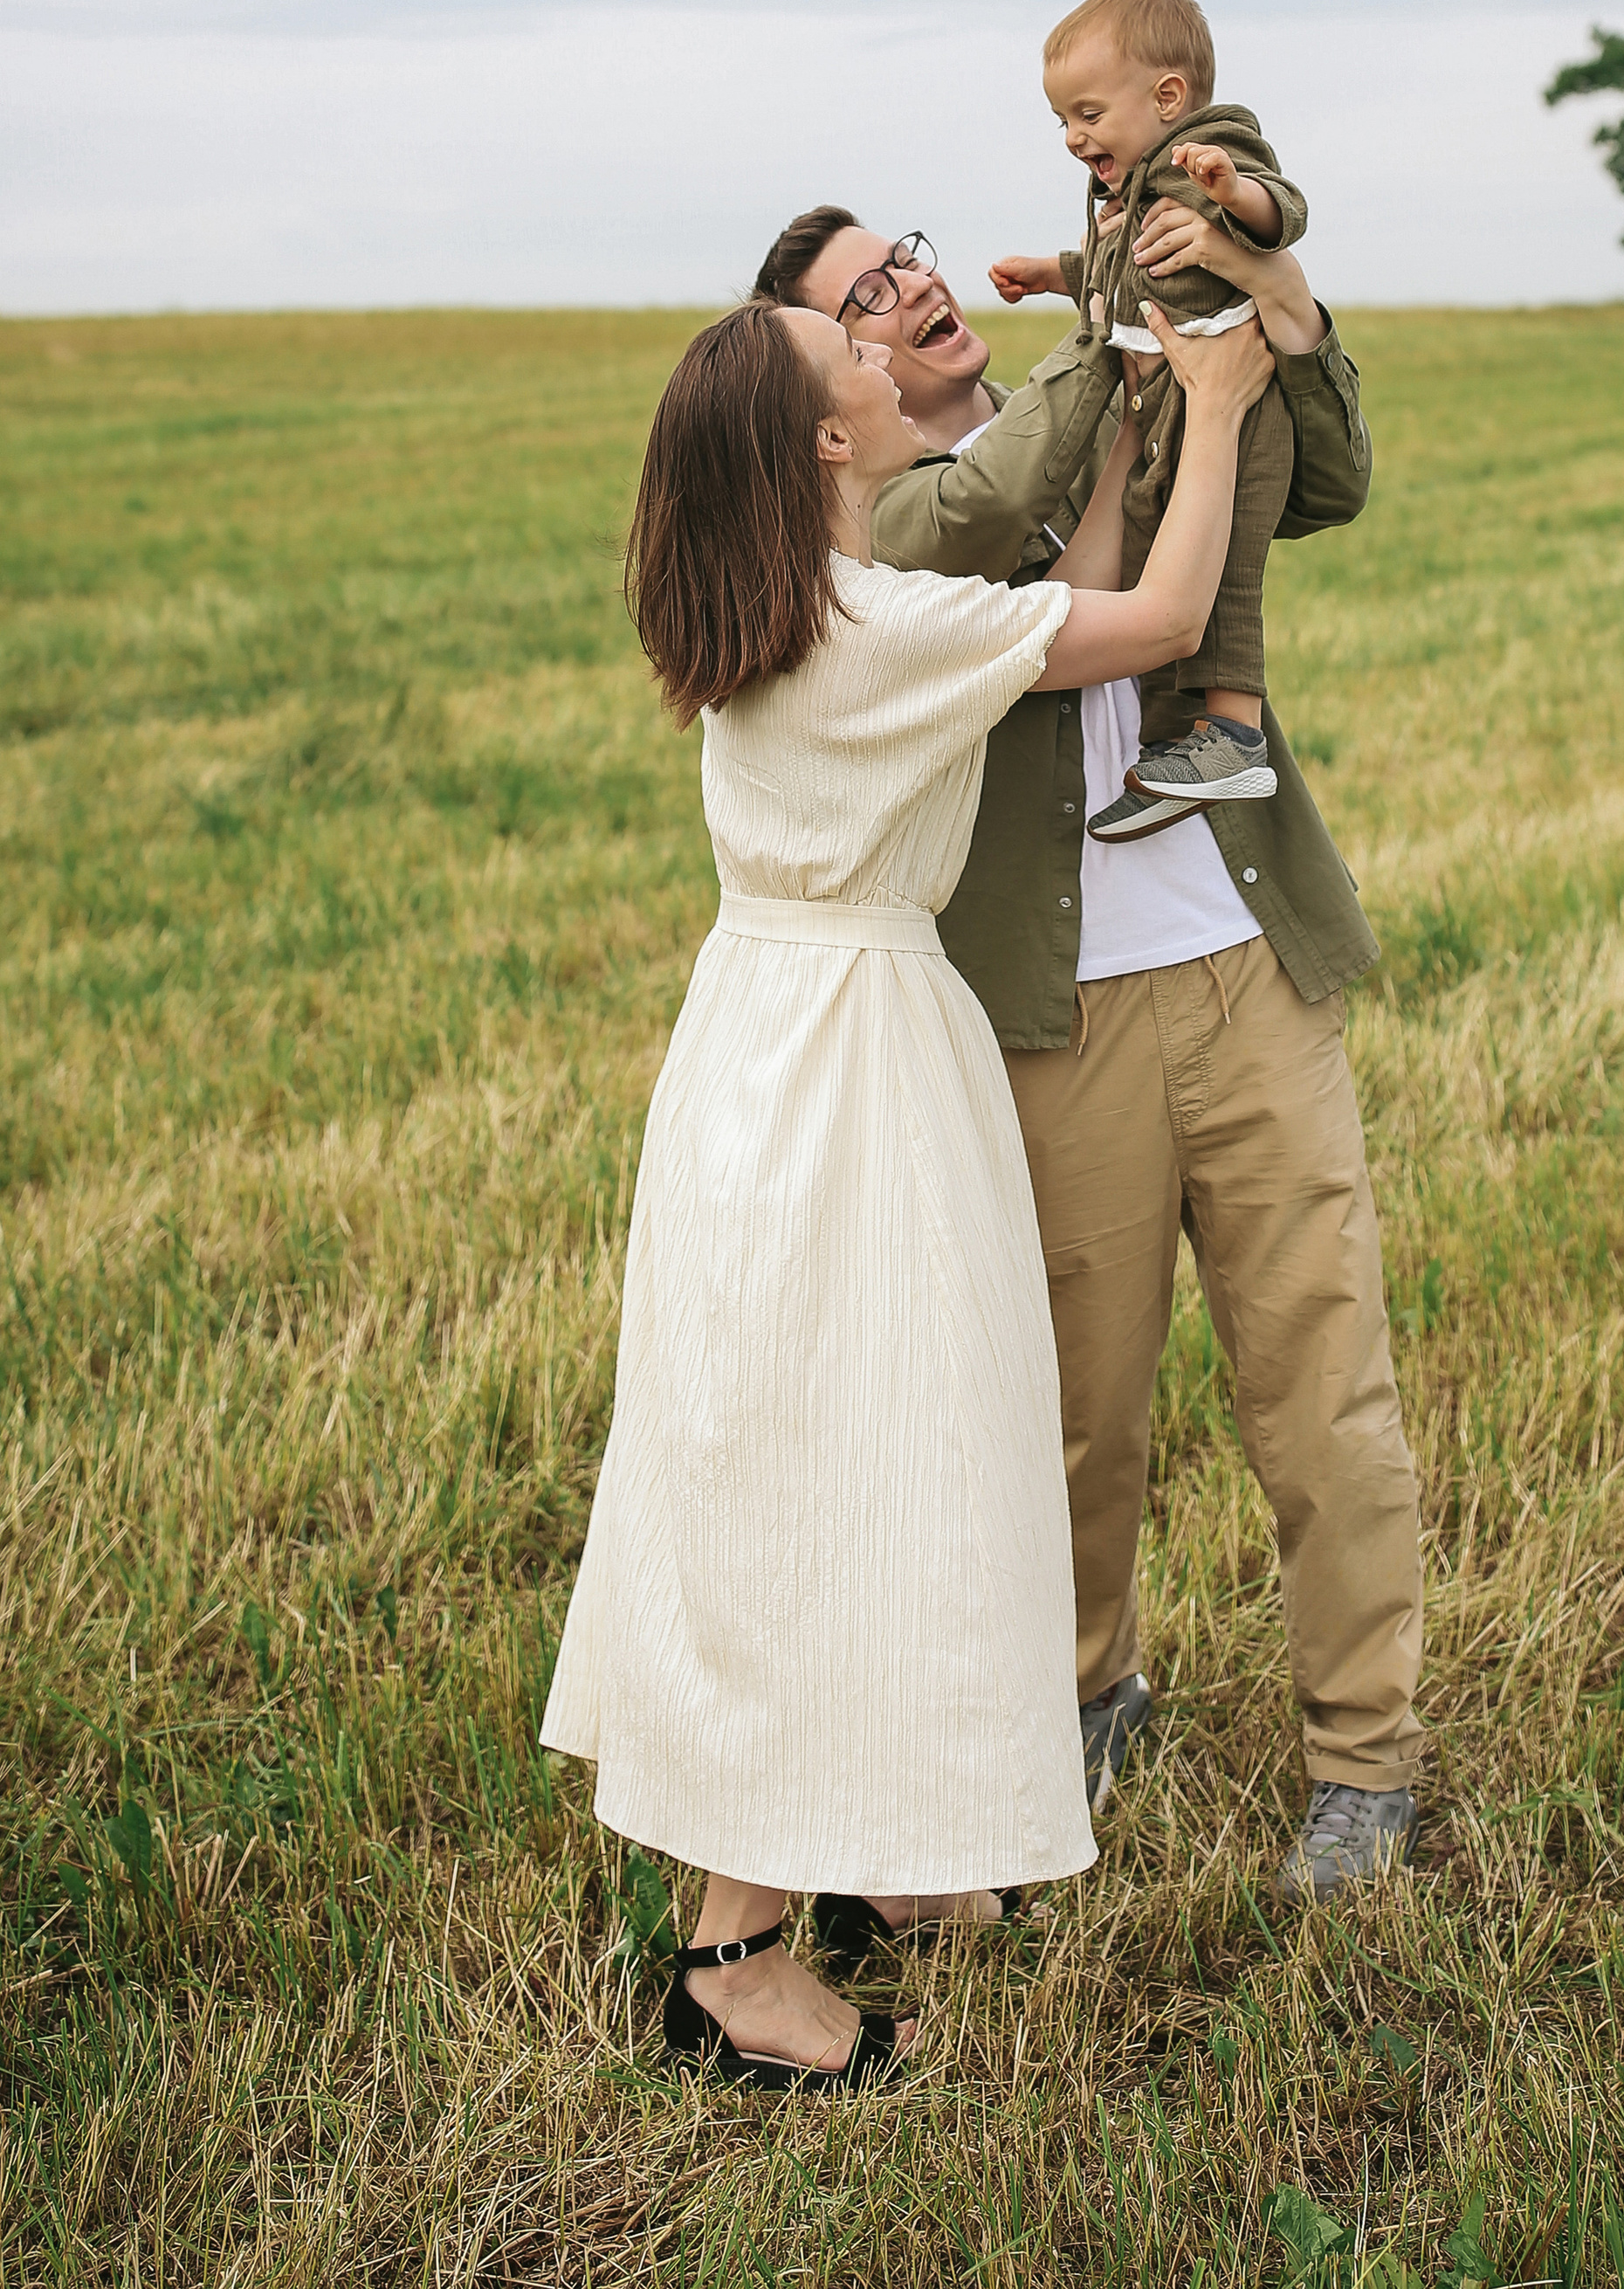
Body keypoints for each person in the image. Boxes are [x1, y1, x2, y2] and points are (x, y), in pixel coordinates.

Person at [539, 291, 1273, 2088]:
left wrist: (1106, 425)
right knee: (833, 1464)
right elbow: (1162, 621)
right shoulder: (867, 620)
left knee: (846, 1450)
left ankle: (889, 1849)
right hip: (850, 1062)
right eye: (842, 352)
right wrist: (1228, 400)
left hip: (768, 1037)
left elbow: (1062, 613)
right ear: (826, 438)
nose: (879, 352)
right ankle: (734, 1948)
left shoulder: (802, 608)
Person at [754, 203, 1427, 1906]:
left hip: (1249, 961)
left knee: (1323, 1385)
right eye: (860, 297)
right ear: (831, 380)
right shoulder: (892, 520)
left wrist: (1271, 299)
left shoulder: (1105, 388)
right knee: (1071, 1412)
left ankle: (1363, 1758)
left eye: (903, 253)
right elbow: (1013, 502)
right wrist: (1132, 331)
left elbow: (1323, 475)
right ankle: (1081, 1684)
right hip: (1053, 1016)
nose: (905, 287)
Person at [989, 0, 1306, 842]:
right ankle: (1177, 747)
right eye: (1060, 119)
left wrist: (1230, 190)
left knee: (1226, 564)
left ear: (1167, 96)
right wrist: (1056, 273)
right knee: (1155, 555)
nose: (1071, 136)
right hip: (1165, 404)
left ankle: (1232, 728)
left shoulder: (1208, 146)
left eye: (1086, 112)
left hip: (1238, 401)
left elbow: (1282, 215)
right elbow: (1119, 273)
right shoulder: (1126, 193)